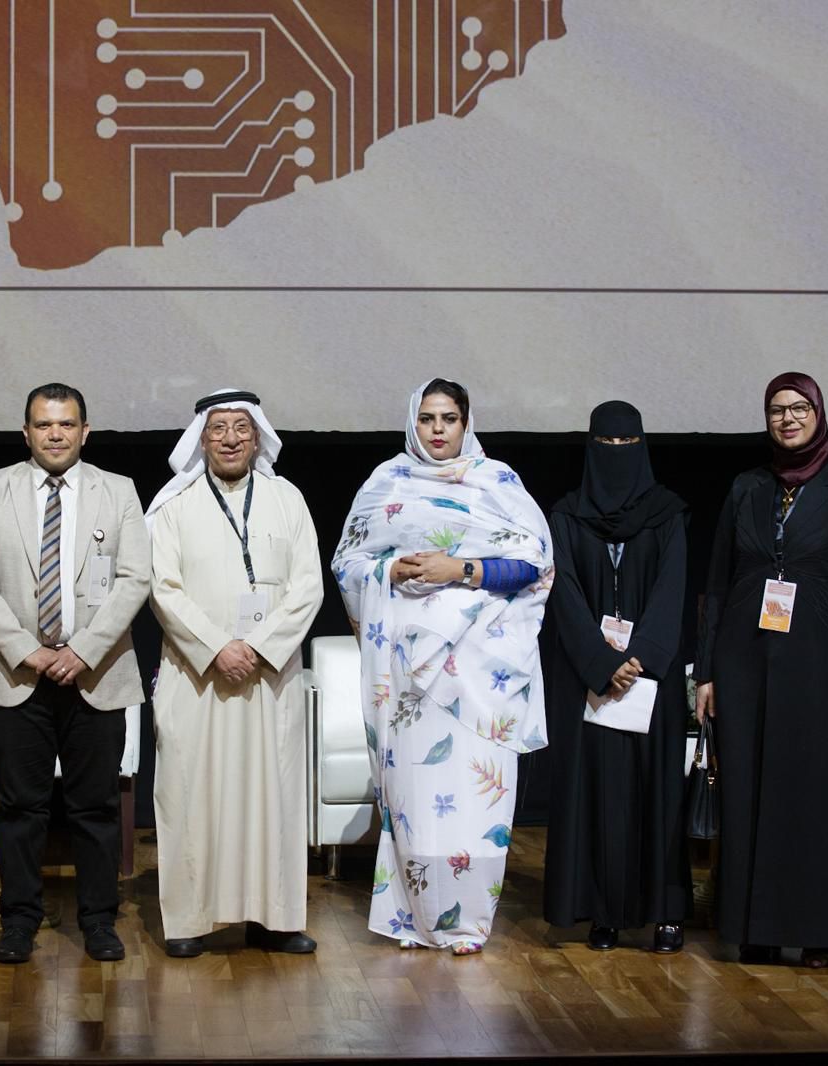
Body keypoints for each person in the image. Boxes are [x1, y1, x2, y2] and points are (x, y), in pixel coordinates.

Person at [333, 378, 552, 955]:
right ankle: (413, 914)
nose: (437, 430)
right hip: (408, 672)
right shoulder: (386, 482)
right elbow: (349, 563)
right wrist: (390, 572)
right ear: (414, 422)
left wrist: (461, 570)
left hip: (481, 669)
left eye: (448, 419)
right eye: (427, 418)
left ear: (465, 423)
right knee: (415, 794)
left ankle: (468, 921)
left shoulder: (497, 482)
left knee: (476, 796)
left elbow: (533, 563)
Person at [694, 372, 828, 968]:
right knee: (750, 794)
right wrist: (707, 672)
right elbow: (718, 584)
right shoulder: (747, 487)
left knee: (813, 797)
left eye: (800, 408)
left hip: (822, 668)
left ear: (818, 414)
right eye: (778, 409)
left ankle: (818, 931)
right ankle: (754, 929)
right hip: (746, 664)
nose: (788, 419)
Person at [0, 383, 152, 964]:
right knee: (20, 809)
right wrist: (29, 651)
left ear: (85, 432)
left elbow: (134, 579)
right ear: (26, 433)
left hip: (96, 673)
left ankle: (98, 920)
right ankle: (19, 920)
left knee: (95, 807)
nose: (56, 434)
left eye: (66, 424)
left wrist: (83, 650)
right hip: (16, 675)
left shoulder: (118, 491)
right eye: (44, 425)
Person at [146, 389, 325, 957]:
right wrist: (218, 647)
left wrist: (259, 647)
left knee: (273, 797)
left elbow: (308, 586)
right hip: (198, 676)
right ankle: (190, 921)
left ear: (257, 437)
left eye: (241, 429)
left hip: (269, 678)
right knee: (191, 795)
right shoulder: (173, 506)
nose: (229, 439)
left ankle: (276, 918)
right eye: (218, 429)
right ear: (201, 438)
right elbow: (162, 588)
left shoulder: (287, 499)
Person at [541, 401, 691, 953]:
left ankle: (665, 913)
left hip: (651, 679)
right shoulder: (566, 516)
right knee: (595, 791)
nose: (617, 454)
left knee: (658, 793)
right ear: (590, 448)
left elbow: (673, 589)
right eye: (607, 444)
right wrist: (603, 664)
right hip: (591, 679)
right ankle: (602, 913)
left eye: (627, 444)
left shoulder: (668, 513)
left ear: (642, 447)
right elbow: (564, 593)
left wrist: (641, 657)